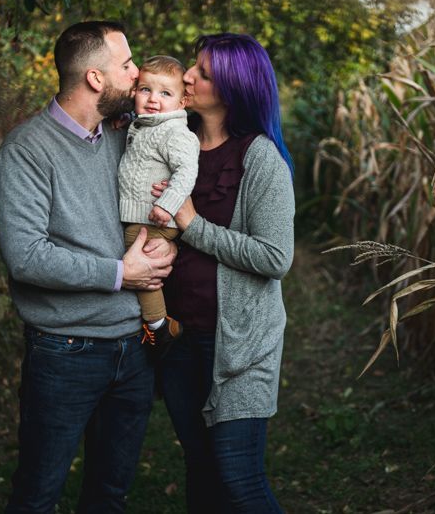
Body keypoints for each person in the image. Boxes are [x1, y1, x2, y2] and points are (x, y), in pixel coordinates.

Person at [0, 20, 176, 513]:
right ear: (96, 79)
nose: (137, 76)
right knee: (37, 494)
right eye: (128, 65)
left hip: (132, 348)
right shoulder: (26, 151)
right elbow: (28, 257)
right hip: (64, 351)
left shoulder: (121, 137)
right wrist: (122, 273)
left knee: (109, 495)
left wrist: (164, 239)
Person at [157, 33, 295, 513]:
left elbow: (276, 257)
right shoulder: (176, 145)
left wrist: (191, 224)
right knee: (201, 468)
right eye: (193, 66)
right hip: (178, 338)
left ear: (233, 91)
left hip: (239, 344)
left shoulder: (259, 158)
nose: (187, 77)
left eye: (204, 73)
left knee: (239, 476)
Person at [117, 55, 199, 348]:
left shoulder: (174, 131)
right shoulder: (146, 124)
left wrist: (168, 203)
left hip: (155, 219)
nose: (153, 99)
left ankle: (159, 326)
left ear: (182, 102)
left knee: (140, 261)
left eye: (166, 93)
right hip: (144, 215)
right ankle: (155, 323)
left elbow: (187, 170)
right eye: (145, 90)